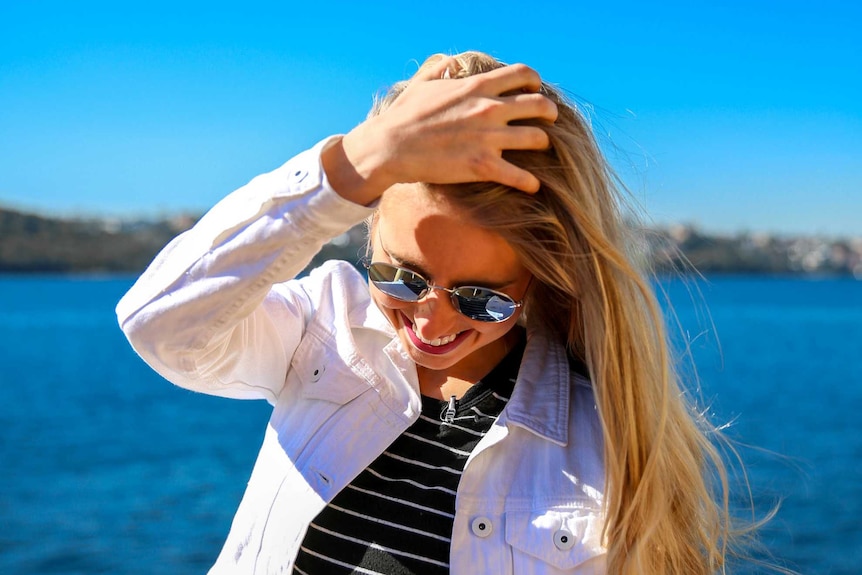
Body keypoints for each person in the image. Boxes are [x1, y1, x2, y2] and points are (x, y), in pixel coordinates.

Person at [117, 51, 744, 574]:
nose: (431, 323)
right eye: (400, 277)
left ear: (543, 275)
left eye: (481, 296)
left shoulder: (603, 439)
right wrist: (360, 162)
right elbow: (160, 324)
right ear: (367, 235)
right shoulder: (323, 327)